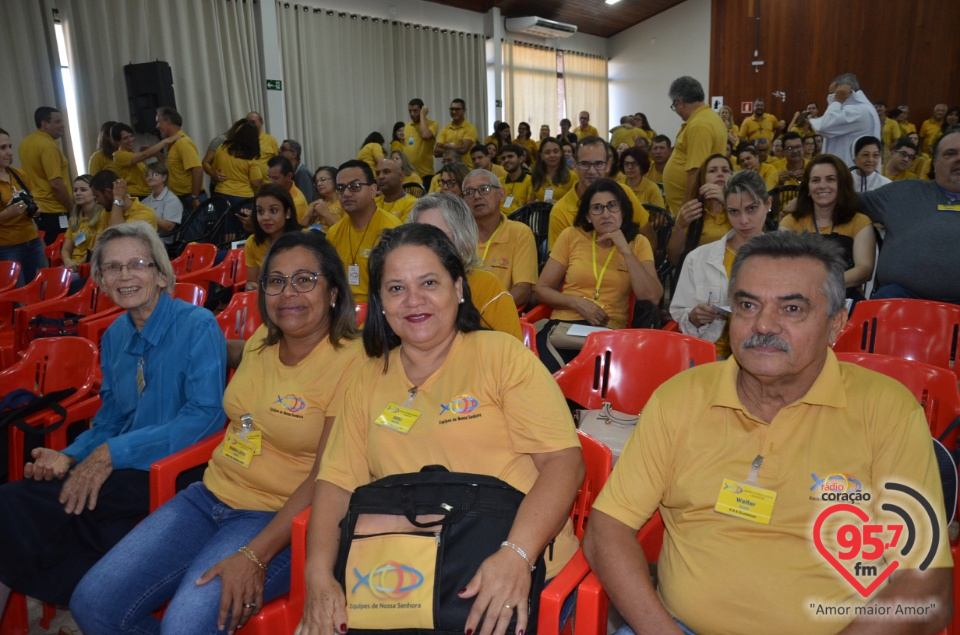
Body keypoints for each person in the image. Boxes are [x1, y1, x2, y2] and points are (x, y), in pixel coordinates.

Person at [584, 230, 952, 635]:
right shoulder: (681, 397)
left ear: (836, 324)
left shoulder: (887, 410)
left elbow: (927, 586)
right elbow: (607, 529)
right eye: (747, 304)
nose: (763, 324)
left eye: (792, 308)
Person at [295, 222, 584, 635]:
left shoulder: (500, 357)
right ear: (379, 301)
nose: (414, 300)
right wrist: (319, 575)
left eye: (429, 282)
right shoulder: (367, 378)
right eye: (396, 288)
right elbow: (337, 482)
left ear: (459, 289)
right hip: (398, 572)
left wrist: (516, 555)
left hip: (502, 559)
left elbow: (564, 463)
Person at [72, 231, 365, 635]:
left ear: (333, 290)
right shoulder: (265, 339)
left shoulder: (354, 364)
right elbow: (237, 362)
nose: (288, 293)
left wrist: (255, 556)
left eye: (305, 279)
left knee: (184, 625)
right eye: (276, 281)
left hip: (276, 519)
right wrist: (203, 337)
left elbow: (328, 478)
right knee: (93, 604)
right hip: (208, 496)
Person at [0, 222, 227, 614]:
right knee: (16, 505)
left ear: (159, 274)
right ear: (101, 280)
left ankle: (92, 596)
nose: (124, 276)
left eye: (137, 264)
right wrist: (69, 456)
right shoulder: (116, 336)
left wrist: (112, 453)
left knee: (25, 509)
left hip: (177, 468)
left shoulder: (197, 325)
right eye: (112, 268)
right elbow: (110, 418)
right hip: (121, 467)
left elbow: (205, 417)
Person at [535, 178, 663, 372]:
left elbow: (653, 297)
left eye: (612, 206)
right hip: (565, 325)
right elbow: (541, 289)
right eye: (597, 208)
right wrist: (576, 303)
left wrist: (625, 250)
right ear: (588, 216)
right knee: (547, 374)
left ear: (623, 210)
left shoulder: (638, 243)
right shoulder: (571, 236)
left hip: (609, 330)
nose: (605, 214)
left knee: (595, 381)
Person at [669, 170, 768, 358]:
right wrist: (694, 317)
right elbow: (679, 313)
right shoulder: (698, 258)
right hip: (712, 355)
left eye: (752, 209)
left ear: (768, 204)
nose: (744, 220)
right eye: (734, 212)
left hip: (765, 353)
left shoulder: (785, 261)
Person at [857, 126, 960, 302]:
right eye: (950, 154)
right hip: (898, 299)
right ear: (935, 164)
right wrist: (806, 198)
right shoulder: (903, 192)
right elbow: (848, 202)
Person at [407, 193, 523, 340]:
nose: (427, 246)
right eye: (419, 237)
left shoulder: (487, 287)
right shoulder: (402, 289)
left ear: (462, 238)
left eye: (438, 236)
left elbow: (512, 357)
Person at [780, 154, 876, 300]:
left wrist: (825, 284)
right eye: (815, 180)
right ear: (807, 188)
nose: (822, 186)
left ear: (842, 185)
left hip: (845, 296)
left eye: (830, 179)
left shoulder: (860, 222)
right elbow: (784, 267)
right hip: (800, 295)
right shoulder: (790, 223)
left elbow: (864, 270)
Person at [548, 137, 653, 250]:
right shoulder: (560, 211)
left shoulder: (624, 193)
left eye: (598, 164)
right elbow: (559, 262)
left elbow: (649, 237)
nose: (592, 171)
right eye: (584, 164)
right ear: (575, 165)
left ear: (608, 165)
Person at [325, 159, 401, 303]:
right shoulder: (334, 232)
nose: (346, 193)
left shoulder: (392, 229)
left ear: (372, 190)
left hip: (380, 311)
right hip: (344, 311)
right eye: (341, 188)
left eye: (355, 186)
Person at [462, 169, 538, 308]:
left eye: (484, 189)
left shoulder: (520, 232)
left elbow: (523, 290)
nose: (477, 196)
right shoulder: (459, 235)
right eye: (469, 192)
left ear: (501, 194)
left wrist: (488, 311)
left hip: (500, 314)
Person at [663, 76, 727, 216]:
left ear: (680, 102)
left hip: (694, 211)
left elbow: (696, 171)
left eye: (674, 106)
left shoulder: (699, 125)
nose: (676, 111)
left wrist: (684, 212)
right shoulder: (708, 117)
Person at [667, 154, 734, 267]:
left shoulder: (742, 208)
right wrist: (679, 226)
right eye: (713, 171)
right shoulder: (693, 210)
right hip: (700, 273)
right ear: (703, 179)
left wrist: (729, 203)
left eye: (725, 170)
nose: (720, 174)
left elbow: (754, 241)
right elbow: (674, 258)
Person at [0, 128, 47, 285]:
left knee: (42, 287)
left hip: (32, 240)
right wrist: (8, 213)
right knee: (18, 296)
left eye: (10, 146)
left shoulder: (19, 175)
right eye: (3, 148)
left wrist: (34, 209)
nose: (10, 152)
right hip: (7, 247)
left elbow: (32, 199)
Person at [18, 107, 72, 243]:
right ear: (44, 124)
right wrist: (73, 209)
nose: (63, 125)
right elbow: (56, 185)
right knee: (61, 253)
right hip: (55, 210)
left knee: (49, 252)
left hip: (38, 209)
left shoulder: (25, 143)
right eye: (58, 121)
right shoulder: (48, 146)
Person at [809, 73, 881, 168]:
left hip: (849, 172)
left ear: (846, 91)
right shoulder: (863, 108)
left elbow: (824, 126)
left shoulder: (858, 111)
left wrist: (837, 101)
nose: (830, 98)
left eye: (832, 94)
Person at [244, 183, 303, 291]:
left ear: (287, 213)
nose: (265, 217)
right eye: (260, 212)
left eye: (273, 210)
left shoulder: (305, 241)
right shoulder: (252, 242)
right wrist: (251, 286)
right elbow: (252, 281)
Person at [109, 122, 179, 198]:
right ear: (117, 142)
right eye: (125, 138)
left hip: (147, 194)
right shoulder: (118, 155)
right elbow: (144, 155)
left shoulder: (133, 153)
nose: (130, 140)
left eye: (131, 136)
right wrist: (165, 141)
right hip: (135, 196)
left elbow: (164, 163)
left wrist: (156, 153)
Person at [157, 107, 205, 211]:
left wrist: (194, 197)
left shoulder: (182, 142)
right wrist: (156, 154)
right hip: (180, 198)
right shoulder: (172, 143)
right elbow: (170, 164)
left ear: (168, 121)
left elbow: (197, 169)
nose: (157, 126)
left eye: (158, 122)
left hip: (189, 197)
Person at [61, 174, 108, 275]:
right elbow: (65, 249)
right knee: (47, 283)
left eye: (83, 190)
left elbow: (95, 249)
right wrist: (68, 261)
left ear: (94, 192)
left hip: (89, 267)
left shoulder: (103, 215)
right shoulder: (74, 219)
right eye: (75, 190)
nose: (78, 193)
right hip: (71, 266)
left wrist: (77, 266)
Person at [213, 119, 263, 207]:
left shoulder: (222, 147)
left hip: (221, 194)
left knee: (223, 220)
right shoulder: (250, 155)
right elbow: (256, 182)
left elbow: (215, 168)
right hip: (242, 196)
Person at [91, 170, 157, 230]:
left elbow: (119, 235)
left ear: (109, 192)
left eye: (97, 197)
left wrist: (118, 197)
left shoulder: (145, 213)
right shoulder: (106, 213)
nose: (97, 202)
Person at [142, 163, 184, 241]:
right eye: (148, 175)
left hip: (163, 241)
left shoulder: (172, 200)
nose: (150, 178)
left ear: (164, 177)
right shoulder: (145, 201)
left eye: (155, 175)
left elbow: (169, 227)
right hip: (146, 238)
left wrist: (147, 215)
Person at [531, 137, 578, 203]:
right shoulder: (536, 176)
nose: (552, 155)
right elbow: (531, 201)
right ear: (541, 156)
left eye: (556, 151)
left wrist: (558, 204)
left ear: (561, 153)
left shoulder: (573, 176)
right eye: (547, 152)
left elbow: (578, 204)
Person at [435, 99, 478, 168]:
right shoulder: (445, 129)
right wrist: (458, 147)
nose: (454, 112)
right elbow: (436, 151)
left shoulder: (470, 128)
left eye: (457, 109)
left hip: (466, 169)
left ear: (464, 110)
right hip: (448, 170)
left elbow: (463, 149)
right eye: (452, 109)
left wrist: (447, 146)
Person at [267, 155, 309, 223]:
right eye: (269, 177)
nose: (271, 182)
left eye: (275, 178)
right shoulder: (276, 191)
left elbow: (289, 232)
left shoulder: (297, 203)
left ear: (289, 176)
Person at [403, 99, 438, 180]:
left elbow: (425, 135)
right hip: (410, 174)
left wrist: (422, 115)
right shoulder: (407, 126)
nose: (412, 114)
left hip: (425, 174)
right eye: (410, 111)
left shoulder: (432, 124)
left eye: (415, 111)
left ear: (422, 110)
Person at [302, 166, 344, 231]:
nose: (319, 184)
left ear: (335, 180)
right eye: (316, 182)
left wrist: (325, 213)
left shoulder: (344, 203)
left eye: (323, 180)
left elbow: (343, 231)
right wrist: (308, 216)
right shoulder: (315, 204)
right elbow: (298, 232)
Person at [374, 156, 416, 221]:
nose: (380, 177)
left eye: (386, 172)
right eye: (378, 173)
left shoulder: (412, 204)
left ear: (401, 176)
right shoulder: (373, 203)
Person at [497, 143, 533, 215]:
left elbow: (530, 208)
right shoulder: (498, 181)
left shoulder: (530, 181)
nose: (506, 160)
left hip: (519, 221)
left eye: (510, 156)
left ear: (520, 159)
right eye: (503, 158)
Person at [281, 139, 315, 204]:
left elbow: (305, 201)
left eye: (283, 149)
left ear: (293, 154)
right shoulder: (293, 171)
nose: (279, 151)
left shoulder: (302, 172)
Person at [246, 111, 280, 176]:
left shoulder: (271, 140)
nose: (250, 125)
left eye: (253, 122)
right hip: (248, 183)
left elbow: (278, 163)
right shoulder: (242, 141)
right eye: (248, 122)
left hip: (267, 183)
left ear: (261, 123)